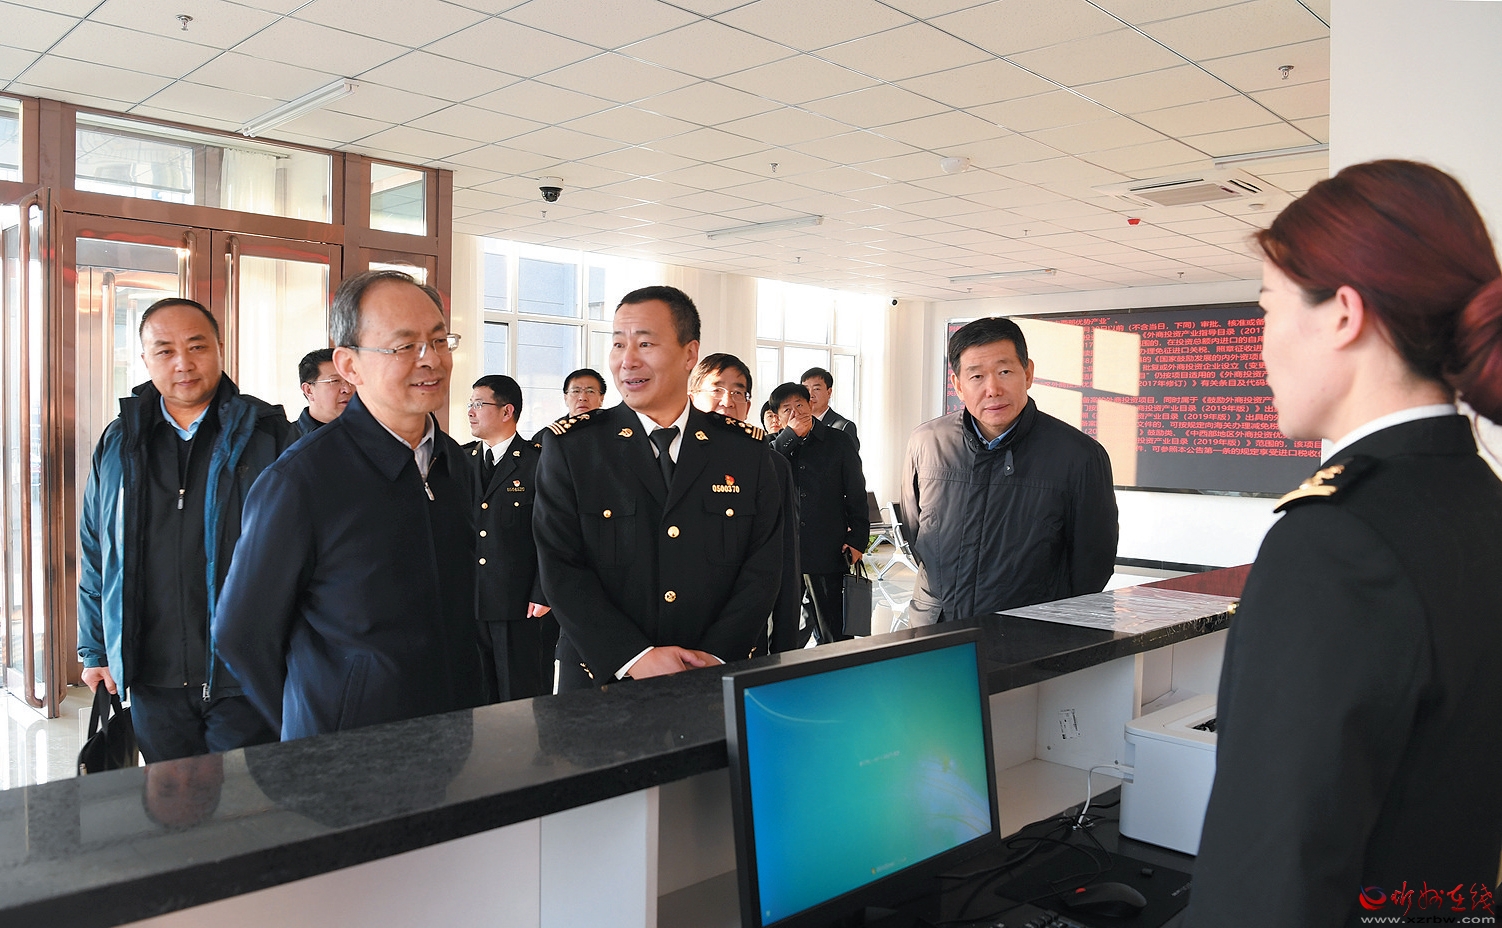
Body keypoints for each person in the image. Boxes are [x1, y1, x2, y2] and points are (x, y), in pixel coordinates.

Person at [1185, 161, 1502, 928]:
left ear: (1343, 315)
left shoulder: (1335, 542)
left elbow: (1270, 884)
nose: (1261, 346)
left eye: (1268, 308)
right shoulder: (1479, 499)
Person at [214, 269, 485, 741]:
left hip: (454, 732)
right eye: (404, 346)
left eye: (440, 341)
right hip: (348, 748)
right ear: (350, 365)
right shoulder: (301, 479)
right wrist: (314, 720)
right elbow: (242, 633)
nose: (431, 360)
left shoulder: (454, 463)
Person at [533, 286, 783, 691]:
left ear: (689, 354)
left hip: (712, 677)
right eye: (618, 344)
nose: (627, 360)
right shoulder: (572, 448)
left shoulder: (744, 452)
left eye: (645, 343)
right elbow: (560, 567)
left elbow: (763, 567)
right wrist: (634, 657)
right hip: (602, 681)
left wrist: (715, 656)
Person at [77, 298, 289, 763]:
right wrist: (96, 649)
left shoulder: (270, 435)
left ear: (219, 348)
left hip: (244, 673)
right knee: (172, 799)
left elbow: (305, 553)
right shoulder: (119, 441)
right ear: (145, 359)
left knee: (245, 798)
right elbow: (96, 548)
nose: (183, 363)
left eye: (197, 346)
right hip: (152, 675)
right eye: (165, 350)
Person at [901, 317, 1117, 623]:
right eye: (977, 376)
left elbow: (1092, 566)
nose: (992, 389)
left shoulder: (1079, 456)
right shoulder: (926, 443)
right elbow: (915, 532)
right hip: (936, 625)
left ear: (1027, 373)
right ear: (958, 385)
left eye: (1004, 372)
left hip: (1026, 632)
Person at [690, 354, 803, 654]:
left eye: (738, 392)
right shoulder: (669, 456)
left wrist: (784, 651)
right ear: (692, 397)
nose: (727, 401)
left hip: (745, 639)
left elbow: (786, 565)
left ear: (748, 406)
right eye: (716, 389)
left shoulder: (772, 465)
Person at [465, 373, 553, 702]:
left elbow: (551, 534)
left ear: (507, 411)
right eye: (470, 404)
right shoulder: (462, 460)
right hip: (471, 600)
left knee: (519, 696)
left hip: (519, 603)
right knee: (477, 694)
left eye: (479, 404)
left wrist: (543, 591)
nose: (470, 411)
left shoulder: (538, 462)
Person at [771, 382, 868, 644]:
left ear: (811, 405)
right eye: (787, 409)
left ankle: (839, 667)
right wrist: (790, 436)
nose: (795, 412)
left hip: (827, 548)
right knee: (781, 628)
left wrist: (858, 539)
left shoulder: (838, 441)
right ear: (778, 418)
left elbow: (856, 492)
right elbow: (766, 472)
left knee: (834, 626)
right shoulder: (774, 446)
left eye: (800, 405)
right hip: (783, 552)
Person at [533, 368, 607, 441]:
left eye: (590, 391)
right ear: (566, 398)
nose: (582, 398)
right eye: (576, 391)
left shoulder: (611, 429)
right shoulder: (548, 436)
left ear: (601, 398)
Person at [293, 348, 352, 436]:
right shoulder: (289, 439)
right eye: (335, 381)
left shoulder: (368, 432)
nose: (347, 389)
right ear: (309, 390)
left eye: (351, 380)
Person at [801, 366, 859, 450]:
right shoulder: (796, 424)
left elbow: (850, 457)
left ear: (829, 392)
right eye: (806, 389)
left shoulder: (843, 427)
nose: (811, 395)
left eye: (816, 389)